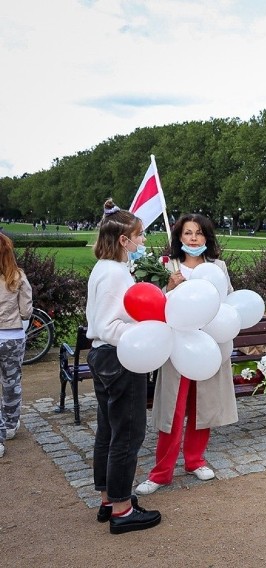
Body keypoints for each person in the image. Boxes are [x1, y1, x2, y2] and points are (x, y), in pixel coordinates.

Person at [136, 214, 238, 495]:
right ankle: (161, 472)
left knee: (202, 406)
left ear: (207, 237)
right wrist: (169, 287)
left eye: (199, 233)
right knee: (173, 409)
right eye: (187, 233)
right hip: (176, 348)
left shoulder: (218, 266)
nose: (193, 238)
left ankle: (195, 460)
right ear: (179, 237)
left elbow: (227, 301)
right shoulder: (167, 265)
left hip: (208, 345)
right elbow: (152, 304)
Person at [86, 198, 161, 534]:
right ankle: (122, 509)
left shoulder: (106, 269)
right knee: (127, 433)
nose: (142, 241)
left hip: (106, 356)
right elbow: (108, 325)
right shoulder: (114, 273)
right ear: (123, 240)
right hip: (119, 357)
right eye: (139, 235)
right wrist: (143, 332)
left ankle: (108, 498)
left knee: (108, 430)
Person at [0, 233, 32, 459]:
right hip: (12, 336)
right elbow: (26, 311)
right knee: (11, 382)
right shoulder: (18, 277)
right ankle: (10, 423)